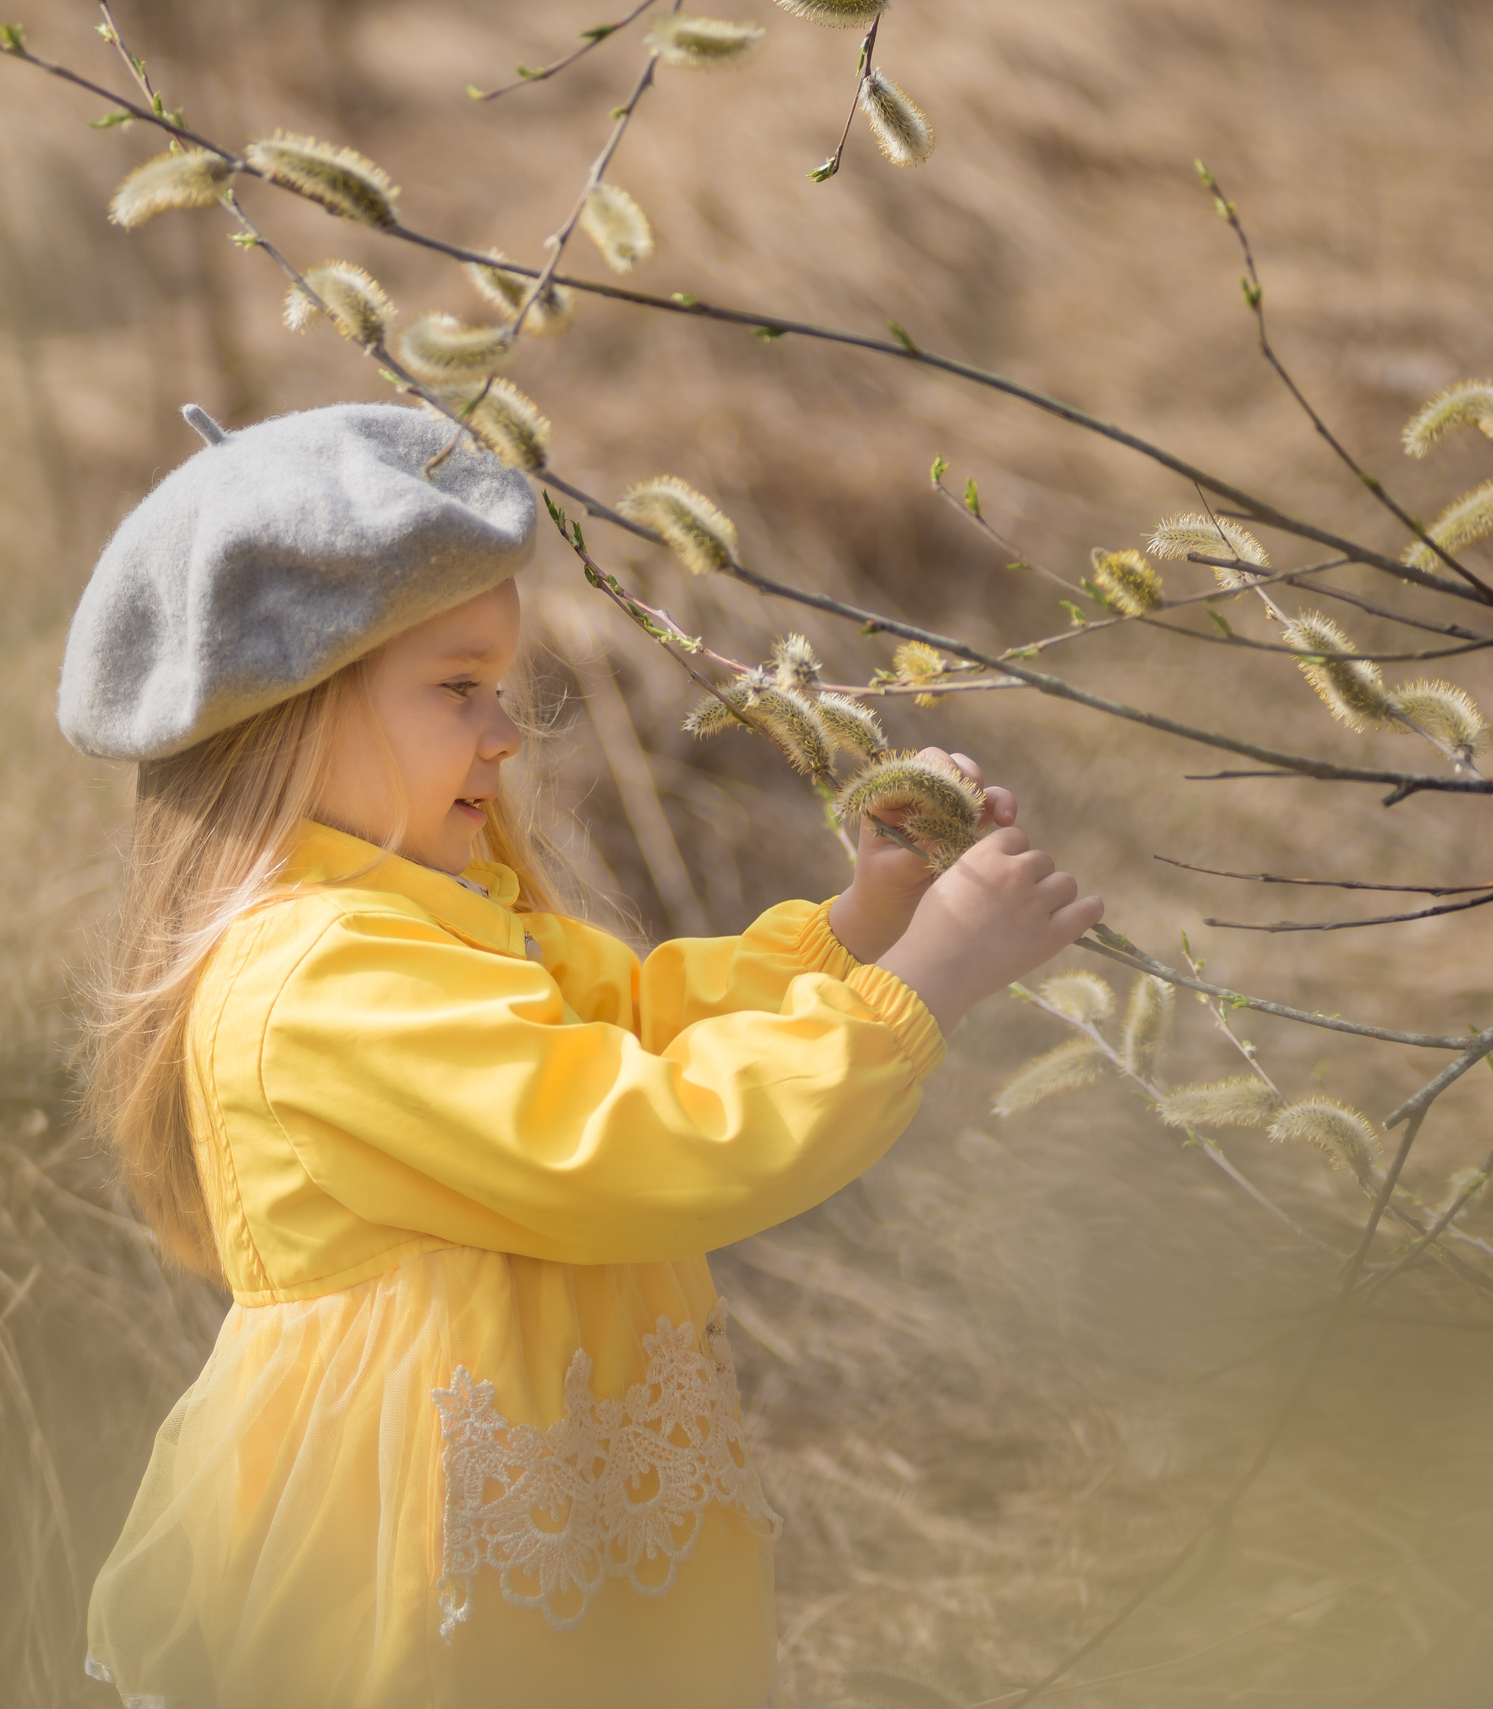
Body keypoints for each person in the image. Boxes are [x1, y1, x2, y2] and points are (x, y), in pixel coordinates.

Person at [65, 401, 1102, 1708]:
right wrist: (923, 985)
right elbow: (642, 1138)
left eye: (496, 688)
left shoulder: (433, 914)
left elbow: (645, 1024)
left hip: (561, 1526)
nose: (504, 732)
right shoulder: (319, 981)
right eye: (457, 691)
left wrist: (857, 928)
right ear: (292, 717)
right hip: (428, 1576)